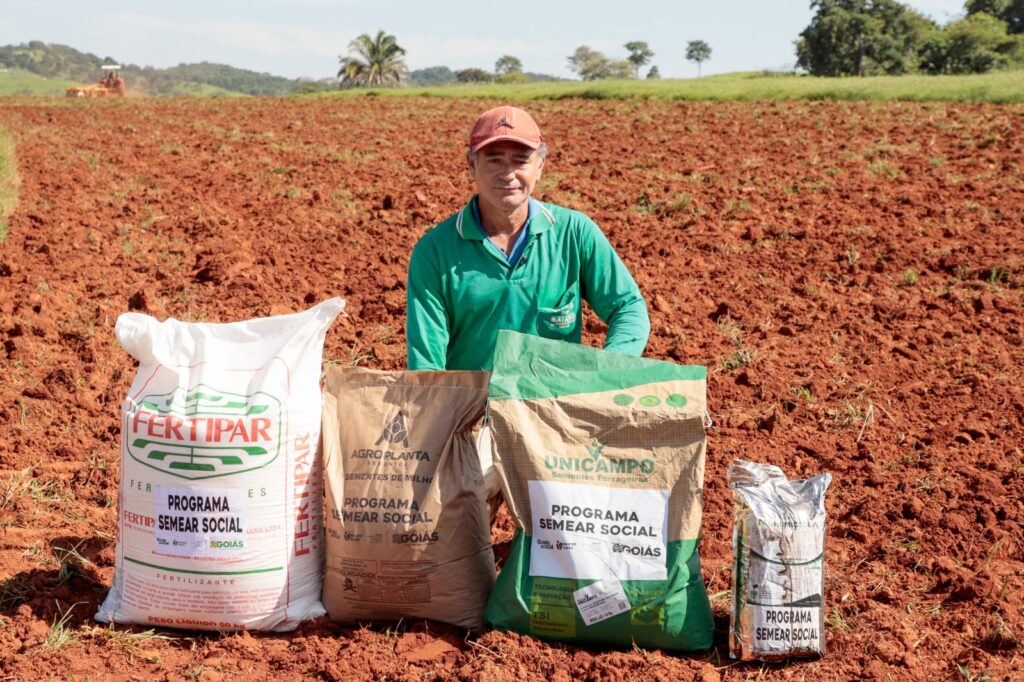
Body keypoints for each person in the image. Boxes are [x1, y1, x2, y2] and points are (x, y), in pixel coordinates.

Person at [406, 105, 650, 372]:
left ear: (540, 166)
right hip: (473, 407)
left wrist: (608, 369)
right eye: (494, 160)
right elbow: (426, 365)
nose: (508, 174)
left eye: (521, 160)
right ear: (472, 165)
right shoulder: (435, 252)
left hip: (553, 403)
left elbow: (627, 308)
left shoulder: (574, 232)